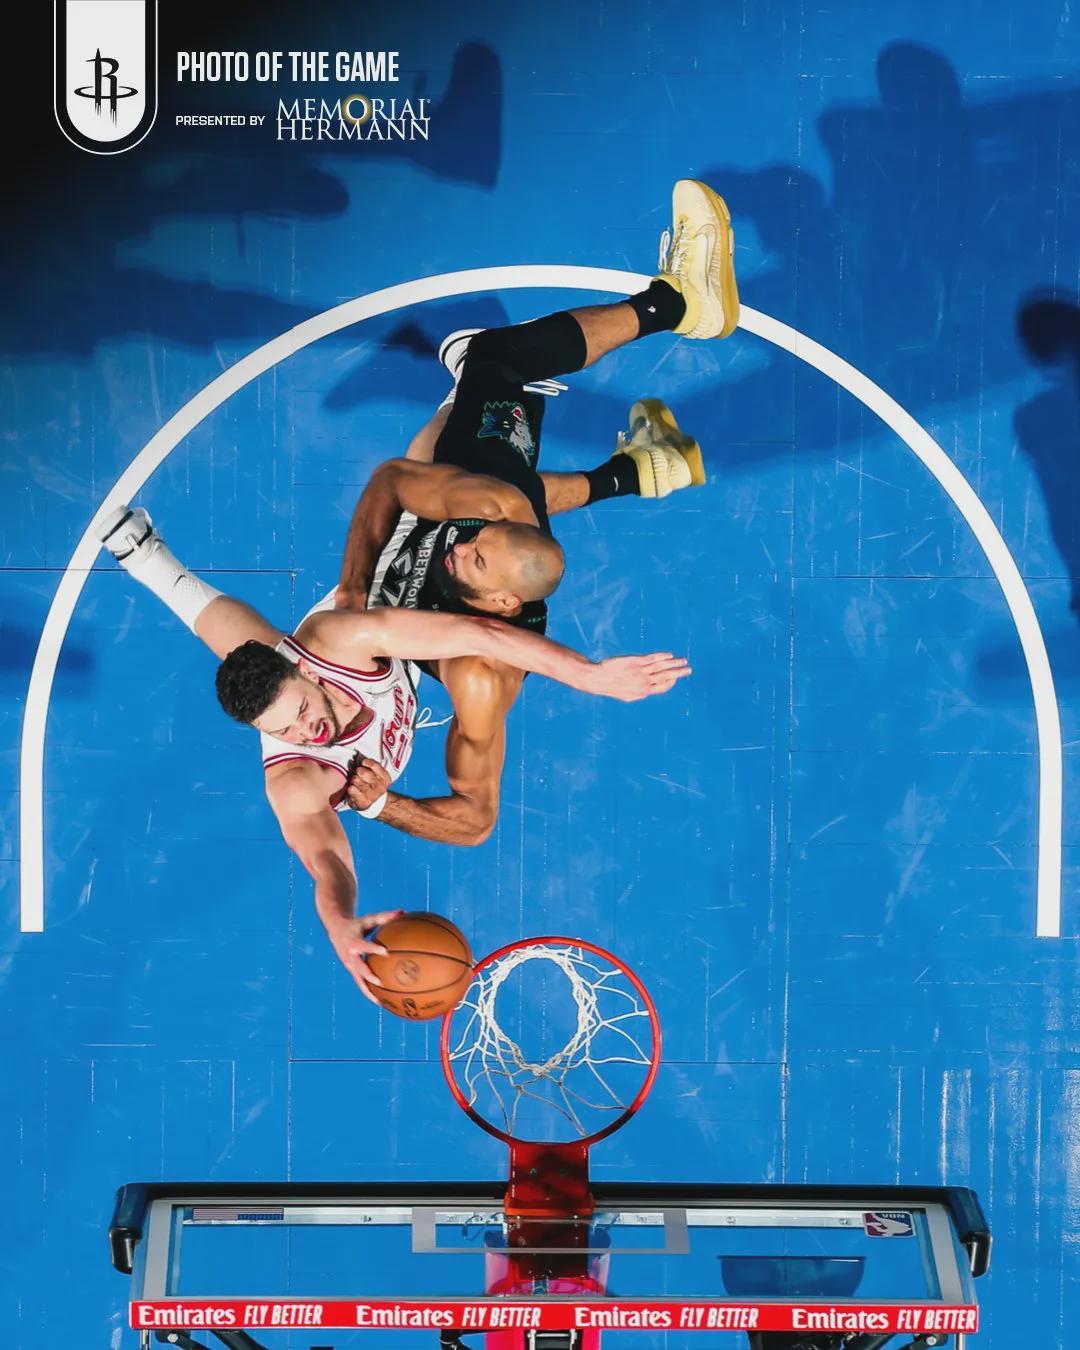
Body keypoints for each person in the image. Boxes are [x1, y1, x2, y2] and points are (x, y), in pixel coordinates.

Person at [97, 504, 690, 995]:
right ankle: (151, 560)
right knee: (253, 654)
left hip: (384, 620)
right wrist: (338, 922)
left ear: (307, 673)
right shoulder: (297, 778)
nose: (306, 732)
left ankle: (148, 559)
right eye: (285, 731)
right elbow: (326, 860)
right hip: (376, 679)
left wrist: (590, 675)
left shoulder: (335, 641)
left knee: (452, 494)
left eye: (302, 713)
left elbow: (479, 633)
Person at [334, 178, 738, 841]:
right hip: (481, 522)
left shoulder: (479, 679)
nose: (460, 544)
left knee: (454, 457)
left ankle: (643, 469)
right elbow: (390, 482)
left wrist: (383, 805)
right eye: (477, 543)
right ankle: (679, 302)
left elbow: (475, 820)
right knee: (492, 367)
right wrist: (353, 587)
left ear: (498, 602)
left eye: (473, 554)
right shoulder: (491, 515)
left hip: (430, 607)